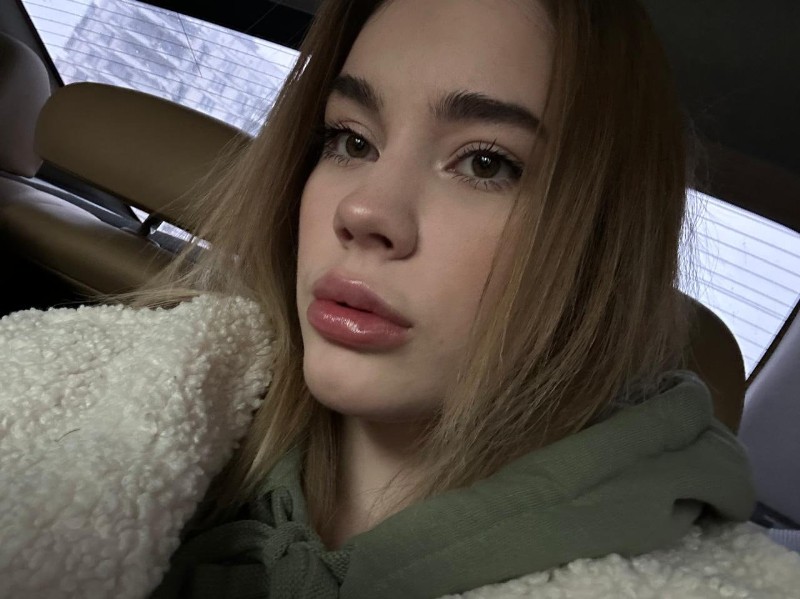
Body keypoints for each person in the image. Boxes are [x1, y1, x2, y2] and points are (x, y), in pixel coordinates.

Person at [9, 0, 796, 597]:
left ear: (605, 246)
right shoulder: (71, 384)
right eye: (352, 140)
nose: (363, 210)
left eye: (486, 162)